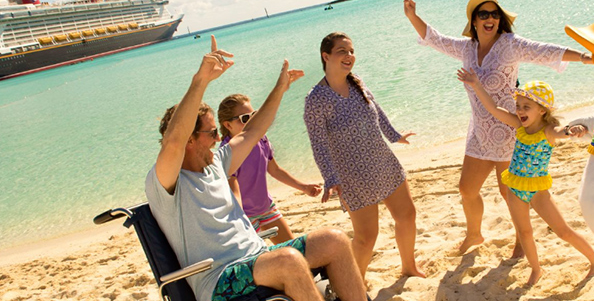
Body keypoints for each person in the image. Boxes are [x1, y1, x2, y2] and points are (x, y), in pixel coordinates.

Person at [145, 35, 367, 301]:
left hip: (259, 259)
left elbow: (252, 132)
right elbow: (172, 143)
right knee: (289, 260)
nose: (218, 138)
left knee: (335, 240)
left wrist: (280, 88)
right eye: (212, 132)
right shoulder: (167, 183)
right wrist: (200, 80)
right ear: (189, 140)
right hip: (220, 279)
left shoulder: (216, 164)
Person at [403, 0, 593, 254]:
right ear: (474, 21)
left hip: (509, 129)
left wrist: (585, 57)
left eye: (495, 14)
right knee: (467, 189)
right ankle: (474, 235)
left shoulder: (509, 44)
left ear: (500, 19)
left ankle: (520, 239)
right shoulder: (466, 48)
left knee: (510, 193)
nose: (489, 18)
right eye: (484, 14)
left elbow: (545, 50)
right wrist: (412, 15)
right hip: (480, 132)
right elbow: (434, 39)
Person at [457, 70, 594, 286]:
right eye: (518, 106)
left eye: (526, 107)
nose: (520, 111)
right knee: (525, 233)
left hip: (538, 191)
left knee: (562, 230)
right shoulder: (519, 125)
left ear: (542, 110)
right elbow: (493, 110)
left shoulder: (548, 130)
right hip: (515, 187)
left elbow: (564, 131)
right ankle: (536, 270)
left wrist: (577, 129)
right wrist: (476, 85)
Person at [304, 32, 426, 280]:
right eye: (342, 51)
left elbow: (377, 111)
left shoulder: (356, 81)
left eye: (351, 51)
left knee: (407, 215)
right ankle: (353, 284)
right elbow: (318, 144)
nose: (349, 56)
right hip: (353, 176)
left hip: (383, 162)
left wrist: (395, 135)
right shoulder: (315, 99)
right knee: (366, 237)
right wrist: (330, 178)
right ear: (325, 56)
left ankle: (408, 267)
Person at [218, 94, 323, 244]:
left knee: (292, 249)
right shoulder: (227, 153)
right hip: (244, 216)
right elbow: (233, 192)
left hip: (266, 207)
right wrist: (239, 220)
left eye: (254, 115)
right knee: (260, 260)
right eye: (245, 118)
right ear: (228, 125)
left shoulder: (261, 139)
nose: (253, 121)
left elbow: (275, 170)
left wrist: (303, 187)